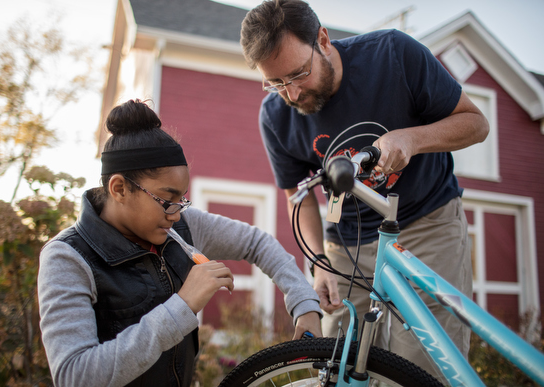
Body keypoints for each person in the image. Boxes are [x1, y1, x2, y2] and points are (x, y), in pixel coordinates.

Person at [240, 0, 489, 380]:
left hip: (426, 225)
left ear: (322, 39)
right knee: (339, 362)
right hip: (346, 240)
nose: (290, 94)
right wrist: (319, 262)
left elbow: (476, 124)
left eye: (297, 74)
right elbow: (300, 196)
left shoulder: (393, 55)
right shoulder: (275, 116)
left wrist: (412, 139)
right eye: (275, 83)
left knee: (420, 366)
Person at [37, 99, 322, 387]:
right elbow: (75, 376)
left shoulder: (184, 226)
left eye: (181, 200)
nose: (175, 214)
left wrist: (304, 303)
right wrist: (183, 305)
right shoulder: (68, 258)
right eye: (166, 200)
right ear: (120, 188)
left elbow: (257, 243)